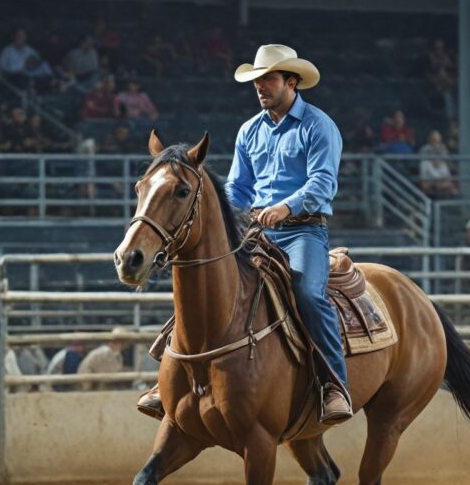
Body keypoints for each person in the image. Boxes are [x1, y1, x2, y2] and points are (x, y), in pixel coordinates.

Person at [137, 44, 351, 424]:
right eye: (256, 80)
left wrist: (285, 207)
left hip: (302, 232)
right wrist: (225, 214)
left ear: (291, 81)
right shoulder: (249, 131)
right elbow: (238, 188)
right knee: (206, 284)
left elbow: (322, 183)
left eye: (267, 79)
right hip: (255, 231)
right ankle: (169, 380)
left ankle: (334, 384)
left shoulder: (319, 126)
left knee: (307, 293)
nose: (259, 86)